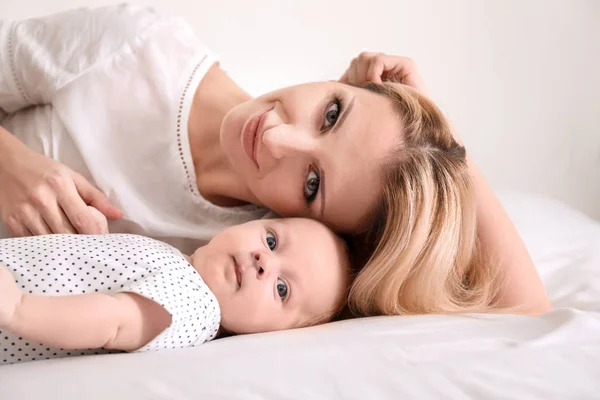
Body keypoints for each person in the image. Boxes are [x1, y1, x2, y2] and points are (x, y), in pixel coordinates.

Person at [0, 5, 551, 317]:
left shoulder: (262, 260)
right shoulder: (137, 46)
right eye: (332, 113)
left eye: (313, 183)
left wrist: (449, 151)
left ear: (318, 226)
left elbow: (528, 317)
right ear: (342, 81)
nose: (278, 140)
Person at [0, 217, 350, 365]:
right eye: (271, 240)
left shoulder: (196, 308)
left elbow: (114, 321)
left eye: (281, 288)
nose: (263, 261)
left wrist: (19, 309)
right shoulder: (181, 262)